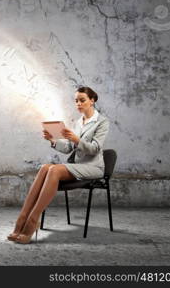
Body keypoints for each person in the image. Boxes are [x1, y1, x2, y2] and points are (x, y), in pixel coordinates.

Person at [7, 86, 110, 244]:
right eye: (76, 101)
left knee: (54, 170)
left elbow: (94, 149)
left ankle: (33, 220)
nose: (78, 104)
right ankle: (22, 218)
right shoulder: (78, 122)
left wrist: (76, 139)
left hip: (93, 167)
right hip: (77, 166)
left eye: (82, 100)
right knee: (45, 167)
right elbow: (69, 148)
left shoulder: (102, 122)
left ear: (92, 100)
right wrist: (52, 140)